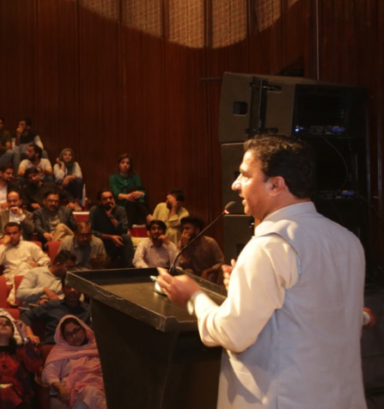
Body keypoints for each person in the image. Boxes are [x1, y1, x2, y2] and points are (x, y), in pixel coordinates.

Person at [157, 135, 367, 409]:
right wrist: (243, 288)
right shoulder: (347, 239)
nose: (235, 184)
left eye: (245, 175)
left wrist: (194, 297)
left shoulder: (268, 246)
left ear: (276, 185)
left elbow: (233, 334)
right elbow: (310, 311)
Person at [42, 316, 106, 409]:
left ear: (83, 329)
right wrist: (60, 388)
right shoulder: (61, 351)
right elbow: (49, 373)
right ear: (64, 338)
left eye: (76, 330)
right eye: (69, 334)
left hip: (102, 385)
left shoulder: (97, 345)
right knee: (91, 392)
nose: (74, 336)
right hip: (76, 390)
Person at [21, 285, 90, 345]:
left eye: (76, 286)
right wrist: (29, 334)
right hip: (53, 346)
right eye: (68, 287)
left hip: (81, 348)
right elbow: (26, 315)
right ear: (63, 289)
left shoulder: (88, 309)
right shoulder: (52, 305)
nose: (72, 290)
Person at [0, 221, 50, 292]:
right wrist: (3, 245)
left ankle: (13, 294)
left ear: (20, 233)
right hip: (10, 276)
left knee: (24, 266)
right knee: (24, 267)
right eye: (8, 234)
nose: (11, 236)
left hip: (28, 274)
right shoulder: (1, 248)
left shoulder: (30, 246)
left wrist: (38, 264)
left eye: (14, 233)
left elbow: (45, 258)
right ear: (5, 235)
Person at [174, 216, 226, 283]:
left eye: (187, 228)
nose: (184, 232)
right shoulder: (182, 244)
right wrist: (184, 247)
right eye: (183, 229)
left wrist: (207, 271)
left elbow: (221, 262)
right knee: (187, 271)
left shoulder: (210, 242)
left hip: (210, 275)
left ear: (197, 230)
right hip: (194, 277)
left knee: (213, 275)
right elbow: (184, 265)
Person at [108, 153, 146, 227]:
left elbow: (143, 191)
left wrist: (140, 193)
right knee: (131, 201)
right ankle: (147, 216)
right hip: (121, 203)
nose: (125, 165)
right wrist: (128, 196)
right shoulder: (113, 178)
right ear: (118, 164)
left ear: (130, 165)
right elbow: (116, 194)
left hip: (135, 201)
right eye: (123, 162)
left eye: (128, 163)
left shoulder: (135, 177)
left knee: (133, 198)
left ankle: (128, 228)